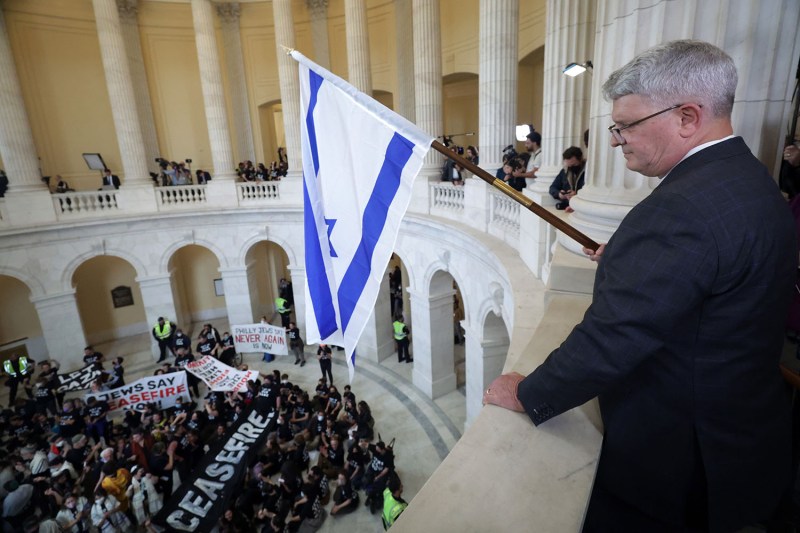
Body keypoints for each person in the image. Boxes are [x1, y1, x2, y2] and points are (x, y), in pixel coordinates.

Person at [483, 40, 797, 533]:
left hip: (680, 460)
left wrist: (530, 393)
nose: (614, 140)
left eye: (626, 125)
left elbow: (615, 334)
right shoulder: (748, 179)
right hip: (743, 432)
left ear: (688, 117)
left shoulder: (682, 209)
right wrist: (634, 258)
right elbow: (712, 273)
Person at [548, 146, 586, 211]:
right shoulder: (565, 171)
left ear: (580, 159)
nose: (571, 167)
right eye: (569, 165)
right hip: (568, 206)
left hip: (582, 206)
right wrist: (559, 194)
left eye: (574, 165)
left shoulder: (588, 172)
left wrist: (577, 194)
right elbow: (552, 188)